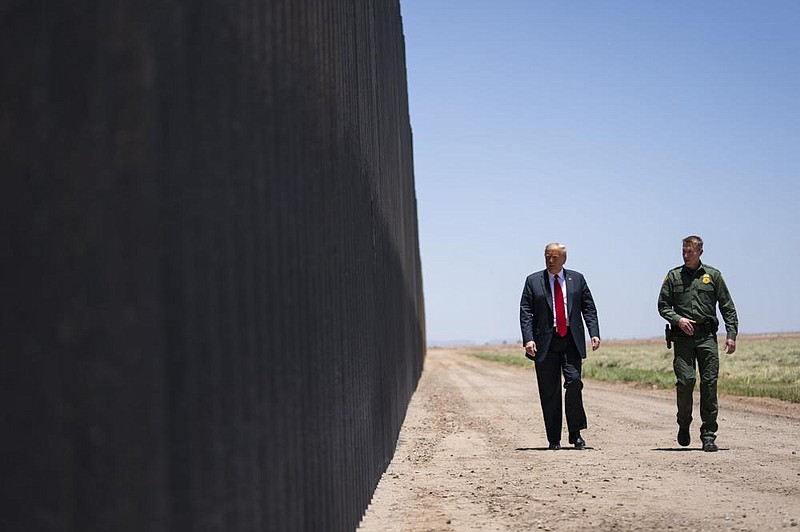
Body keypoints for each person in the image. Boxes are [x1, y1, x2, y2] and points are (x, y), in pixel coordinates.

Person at [658, 235, 738, 452]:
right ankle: (684, 424)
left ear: (700, 252)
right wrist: (678, 320)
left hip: (706, 338)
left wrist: (731, 334)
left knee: (709, 385)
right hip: (682, 340)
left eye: (690, 252)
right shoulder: (673, 276)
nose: (686, 255)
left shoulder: (713, 276)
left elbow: (727, 306)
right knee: (685, 382)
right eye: (683, 251)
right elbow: (663, 305)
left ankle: (708, 435)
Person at [519, 243, 601, 450]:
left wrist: (594, 333)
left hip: (571, 341)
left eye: (555, 257)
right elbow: (526, 311)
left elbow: (588, 308)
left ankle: (576, 433)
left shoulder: (577, 279)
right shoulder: (533, 281)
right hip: (544, 343)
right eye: (548, 256)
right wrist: (528, 339)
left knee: (574, 383)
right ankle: (553, 438)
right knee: (549, 392)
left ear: (564, 258)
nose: (551, 260)